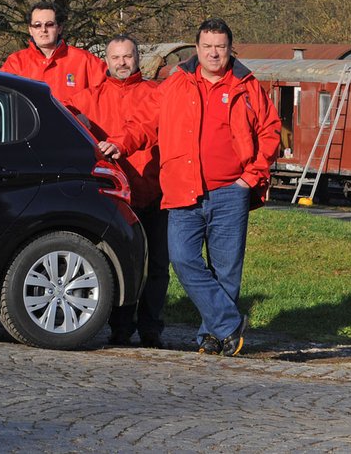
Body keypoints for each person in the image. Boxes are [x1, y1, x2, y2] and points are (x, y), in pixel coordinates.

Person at [100, 19, 281, 356]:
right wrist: (120, 144)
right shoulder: (175, 83)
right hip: (183, 189)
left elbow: (270, 131)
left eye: (221, 47)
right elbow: (144, 123)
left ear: (230, 49)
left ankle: (213, 337)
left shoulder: (247, 85)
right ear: (197, 49)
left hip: (231, 190)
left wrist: (250, 178)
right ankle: (229, 323)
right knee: (183, 259)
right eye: (208, 46)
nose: (214, 53)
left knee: (226, 270)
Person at [64, 35, 167, 349]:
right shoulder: (87, 98)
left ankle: (152, 329)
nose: (122, 63)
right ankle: (119, 327)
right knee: (119, 262)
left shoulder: (157, 93)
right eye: (116, 57)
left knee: (158, 264)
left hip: (154, 191)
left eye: (128, 56)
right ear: (106, 61)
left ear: (138, 58)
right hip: (113, 196)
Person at [0, 1, 106, 102]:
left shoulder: (84, 60)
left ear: (59, 28)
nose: (43, 30)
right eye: (37, 25)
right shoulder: (16, 63)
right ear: (30, 30)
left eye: (49, 24)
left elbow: (112, 89)